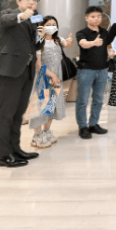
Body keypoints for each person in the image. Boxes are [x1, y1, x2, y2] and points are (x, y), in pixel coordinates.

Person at [0, 0, 45, 168]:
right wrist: (22, 16)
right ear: (18, 1)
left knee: (18, 115)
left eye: (35, 0)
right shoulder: (9, 14)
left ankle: (15, 149)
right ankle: (3, 156)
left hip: (27, 71)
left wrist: (41, 37)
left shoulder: (36, 18)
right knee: (6, 115)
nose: (31, 2)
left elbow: (35, 45)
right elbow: (8, 20)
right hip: (9, 72)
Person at [30, 16, 73, 148]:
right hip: (43, 78)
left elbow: (67, 44)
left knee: (52, 107)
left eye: (54, 24)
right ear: (42, 26)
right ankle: (37, 136)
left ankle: (46, 132)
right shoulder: (38, 42)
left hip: (56, 79)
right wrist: (52, 75)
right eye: (48, 24)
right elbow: (38, 65)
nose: (51, 27)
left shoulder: (58, 39)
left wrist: (69, 42)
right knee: (39, 108)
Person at [76, 6, 110, 139]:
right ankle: (82, 127)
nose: (96, 19)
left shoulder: (104, 32)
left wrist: (111, 53)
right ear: (87, 18)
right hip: (86, 70)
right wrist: (93, 42)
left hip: (102, 70)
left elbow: (106, 48)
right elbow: (83, 44)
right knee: (83, 100)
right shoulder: (81, 33)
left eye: (99, 16)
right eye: (93, 16)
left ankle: (93, 124)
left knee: (99, 99)